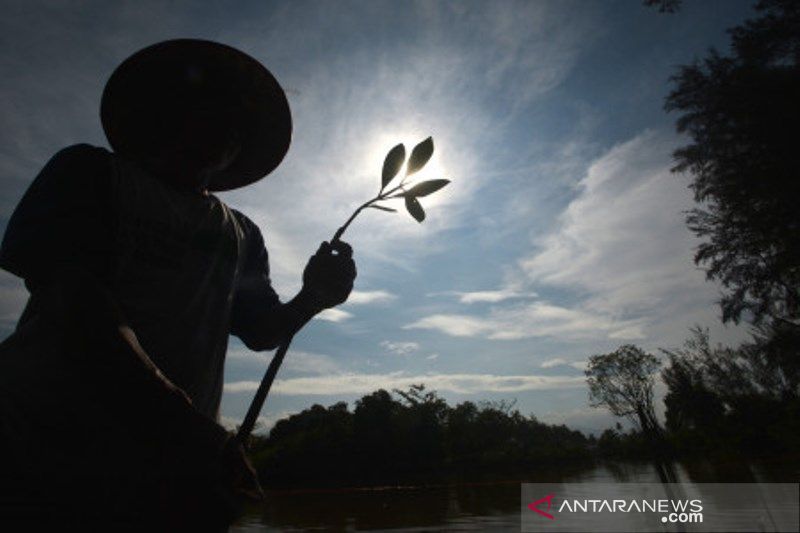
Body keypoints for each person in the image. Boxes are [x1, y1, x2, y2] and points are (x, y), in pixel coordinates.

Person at [0, 39, 356, 530]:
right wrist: (184, 424)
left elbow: (262, 331)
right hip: (43, 448)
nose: (224, 125)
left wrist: (315, 296)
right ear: (165, 112)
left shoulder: (242, 233)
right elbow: (75, 298)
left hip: (169, 468)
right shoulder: (89, 172)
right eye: (206, 106)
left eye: (237, 122)